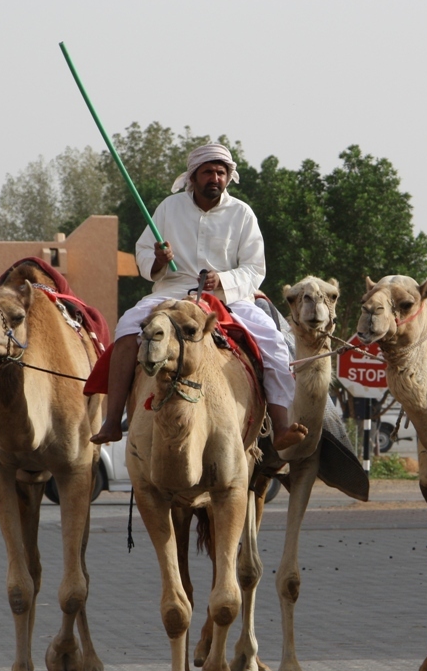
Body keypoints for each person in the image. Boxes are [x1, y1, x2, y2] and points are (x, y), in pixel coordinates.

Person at [91, 143, 307, 451]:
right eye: (208, 172)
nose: (215, 178)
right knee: (127, 328)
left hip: (229, 299)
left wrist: (225, 279)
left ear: (228, 177)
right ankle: (113, 421)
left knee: (272, 341)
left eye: (221, 172)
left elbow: (255, 268)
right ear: (193, 176)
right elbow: (144, 254)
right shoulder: (169, 208)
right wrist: (159, 260)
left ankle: (280, 426)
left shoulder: (242, 213)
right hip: (173, 293)